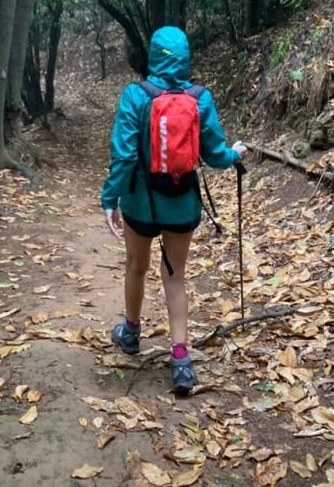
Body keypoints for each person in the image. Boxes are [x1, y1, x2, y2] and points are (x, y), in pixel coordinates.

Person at [101, 26, 246, 396]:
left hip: (139, 203)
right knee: (175, 276)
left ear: (152, 56)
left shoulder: (135, 95)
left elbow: (124, 155)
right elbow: (215, 156)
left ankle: (131, 333)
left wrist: (109, 200)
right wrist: (236, 154)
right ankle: (181, 360)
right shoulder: (200, 99)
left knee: (136, 266)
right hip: (182, 203)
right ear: (185, 58)